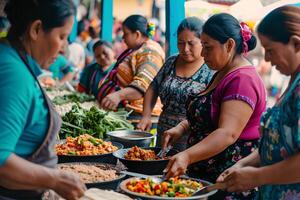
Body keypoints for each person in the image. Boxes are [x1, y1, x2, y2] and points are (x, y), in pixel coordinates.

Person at [163, 13, 266, 199]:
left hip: (226, 179)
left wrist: (187, 156)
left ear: (229, 45)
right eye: (202, 46)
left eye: (208, 47)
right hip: (206, 176)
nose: (203, 54)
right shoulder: (223, 71)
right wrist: (182, 127)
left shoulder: (242, 79)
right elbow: (208, 114)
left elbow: (227, 133)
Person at [0, 1, 86, 199]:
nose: (64, 48)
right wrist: (54, 179)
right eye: (62, 37)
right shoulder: (13, 73)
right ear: (36, 29)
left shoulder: (11, 58)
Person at [217, 6, 300, 199]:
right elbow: (276, 145)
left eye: (270, 50)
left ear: (296, 44)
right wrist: (242, 165)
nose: (267, 59)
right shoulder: (293, 83)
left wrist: (257, 176)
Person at [137, 17, 214, 151]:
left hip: (192, 138)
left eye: (191, 43)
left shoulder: (211, 68)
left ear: (203, 42)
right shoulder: (171, 61)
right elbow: (153, 87)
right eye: (180, 43)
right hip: (164, 131)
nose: (185, 49)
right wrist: (146, 116)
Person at [98, 14, 165, 113]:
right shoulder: (137, 49)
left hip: (140, 115)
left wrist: (118, 95)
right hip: (129, 111)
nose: (123, 38)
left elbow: (143, 85)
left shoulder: (150, 52)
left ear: (137, 34)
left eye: (126, 34)